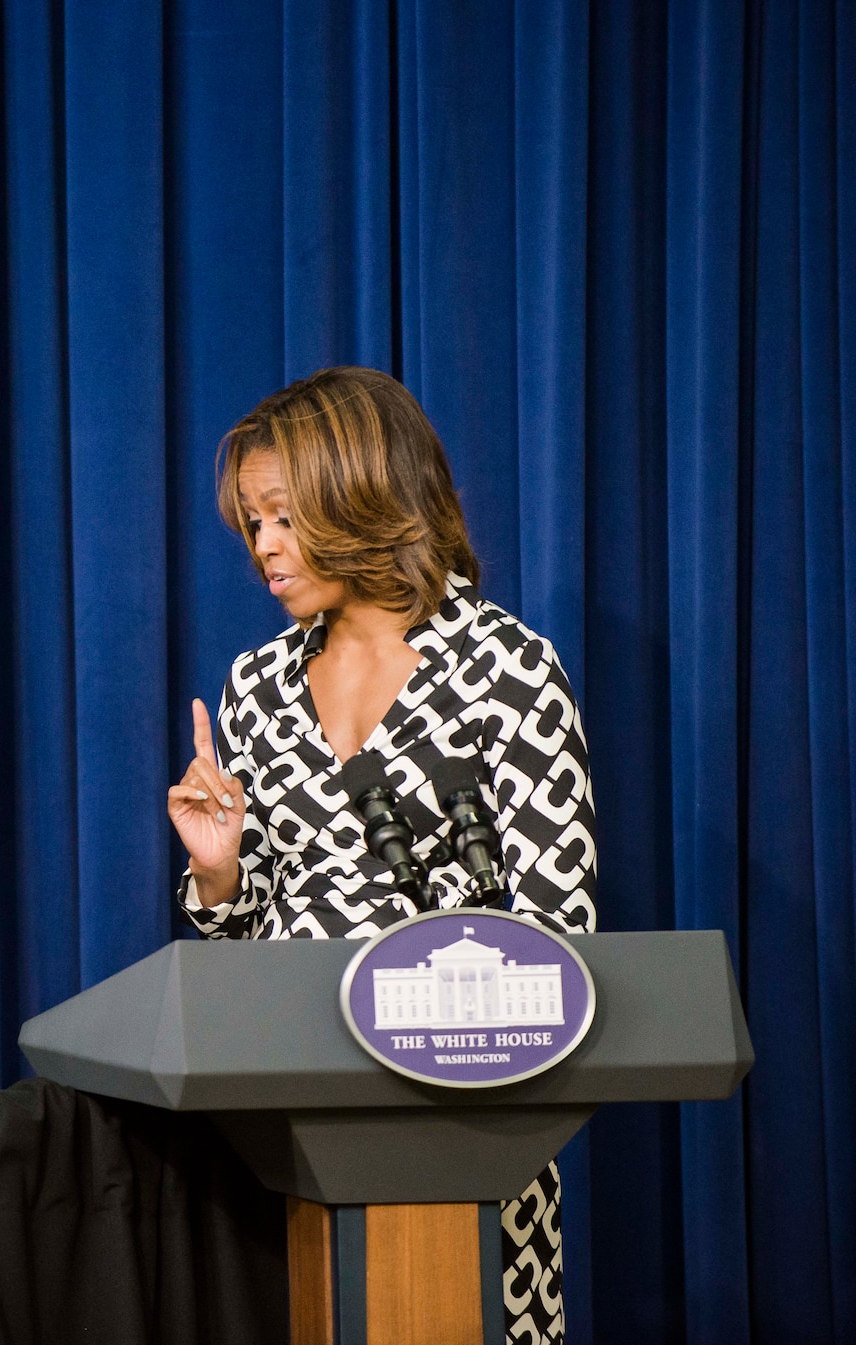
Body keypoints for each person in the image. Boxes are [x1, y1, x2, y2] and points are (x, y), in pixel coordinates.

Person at [167, 367, 593, 1344]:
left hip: (466, 1135)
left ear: (356, 491)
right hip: (293, 1135)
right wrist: (219, 866)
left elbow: (558, 940)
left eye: (281, 515)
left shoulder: (505, 673)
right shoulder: (256, 685)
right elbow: (246, 934)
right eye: (251, 523)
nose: (263, 547)